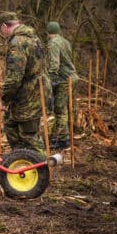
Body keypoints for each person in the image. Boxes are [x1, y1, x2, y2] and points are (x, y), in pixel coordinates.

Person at [0, 11, 45, 156]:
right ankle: (21, 159)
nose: (2, 33)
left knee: (28, 135)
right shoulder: (34, 38)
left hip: (28, 96)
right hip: (34, 92)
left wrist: (4, 99)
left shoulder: (17, 43)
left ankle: (40, 168)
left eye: (0, 29)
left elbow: (14, 78)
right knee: (11, 125)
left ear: (5, 26)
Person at [46, 21, 78, 149]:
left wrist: (49, 80)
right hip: (72, 77)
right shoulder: (66, 42)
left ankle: (62, 140)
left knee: (60, 109)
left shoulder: (53, 43)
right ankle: (68, 134)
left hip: (64, 79)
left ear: (48, 32)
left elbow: (54, 65)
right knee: (69, 107)